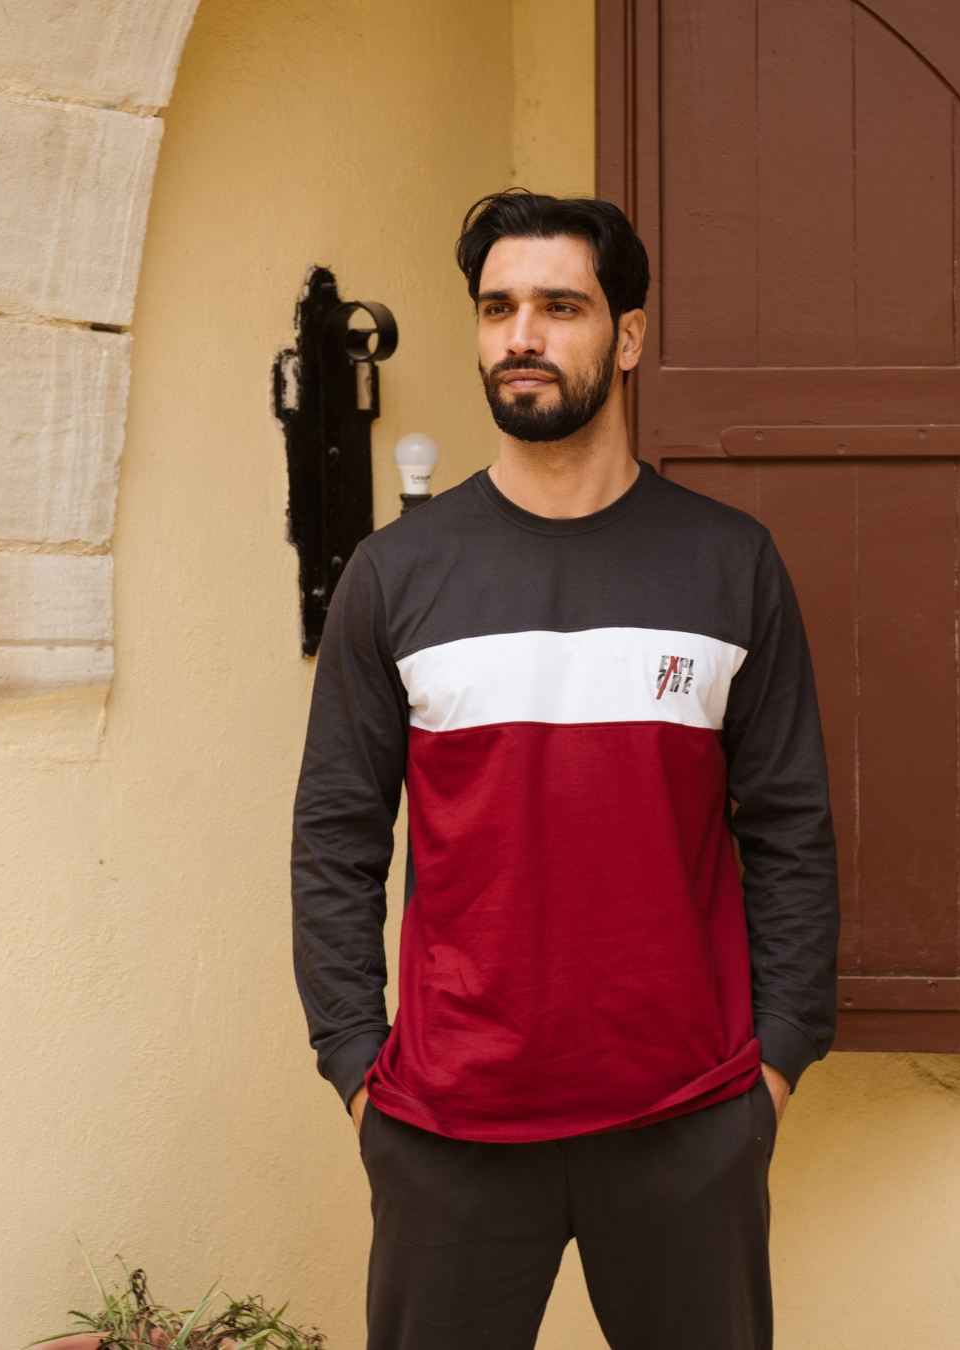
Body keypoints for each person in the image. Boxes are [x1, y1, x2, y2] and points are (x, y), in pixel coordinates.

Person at [292, 189, 839, 1350]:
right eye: (497, 308)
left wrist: (778, 1062)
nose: (521, 336)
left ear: (627, 336)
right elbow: (337, 836)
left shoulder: (730, 564)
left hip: (690, 1120)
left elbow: (791, 828)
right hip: (447, 1131)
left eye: (559, 306)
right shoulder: (395, 577)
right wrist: (355, 1065)